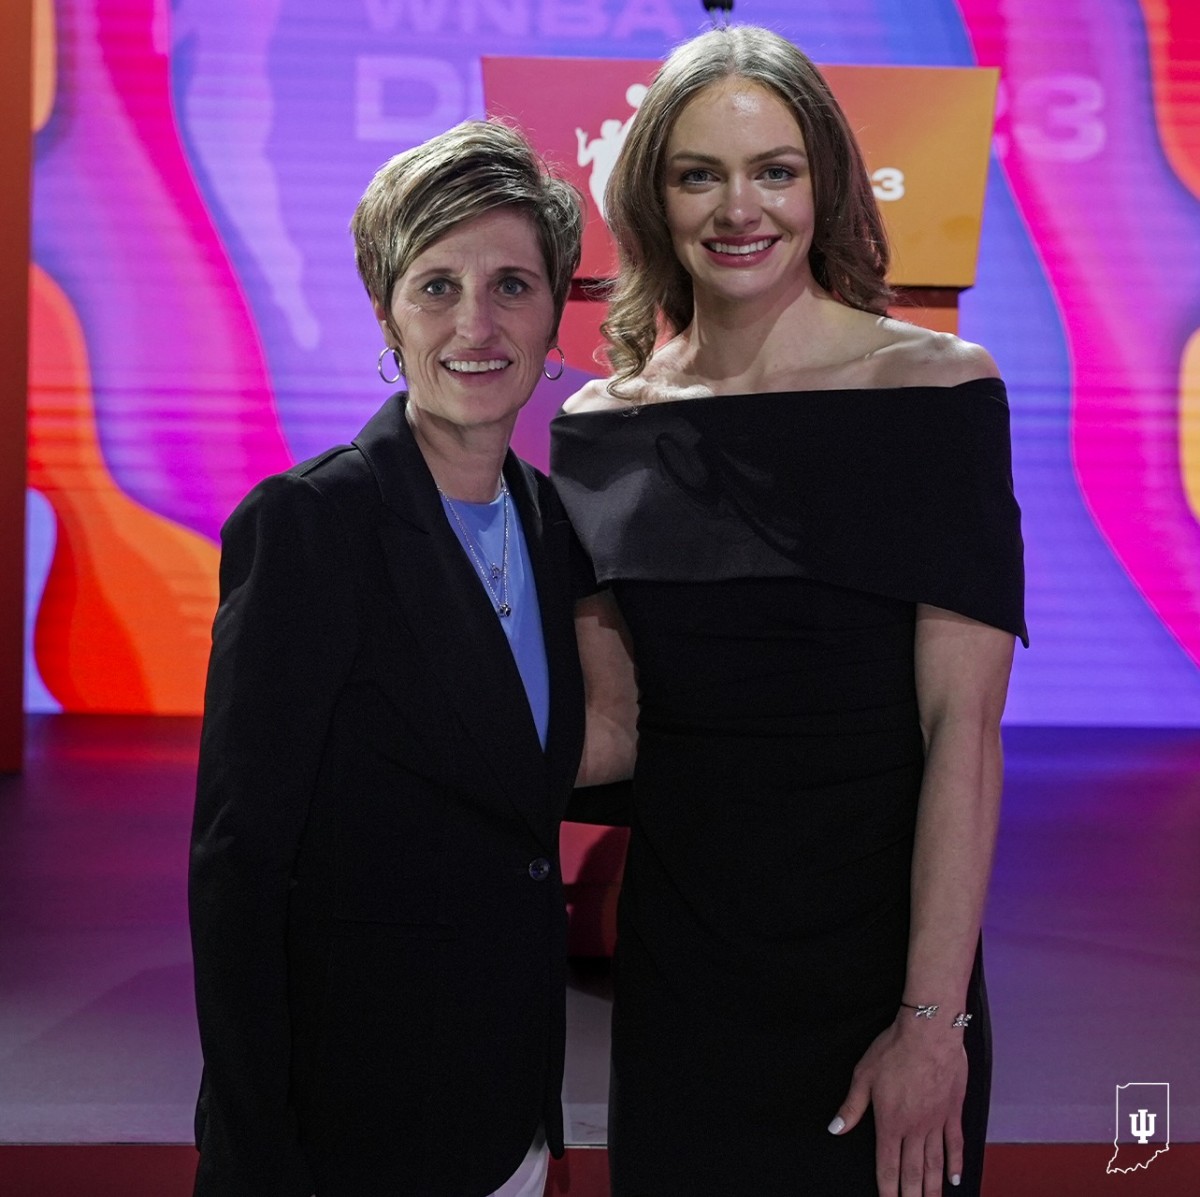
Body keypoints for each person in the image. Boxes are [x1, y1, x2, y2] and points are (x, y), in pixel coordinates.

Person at [550, 25, 1026, 1197]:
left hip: (878, 982)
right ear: (653, 198)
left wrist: (931, 1020)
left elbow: (961, 735)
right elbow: (615, 732)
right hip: (685, 987)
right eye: (697, 173)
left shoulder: (937, 393)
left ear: (825, 182)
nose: (737, 207)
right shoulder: (602, 428)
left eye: (774, 169)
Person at [189, 120, 585, 1197]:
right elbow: (237, 867)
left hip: (509, 1116)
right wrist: (256, 1149)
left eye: (512, 285)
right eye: (436, 285)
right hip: (344, 1132)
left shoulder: (553, 525)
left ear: (556, 315)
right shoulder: (310, 525)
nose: (476, 322)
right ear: (388, 311)